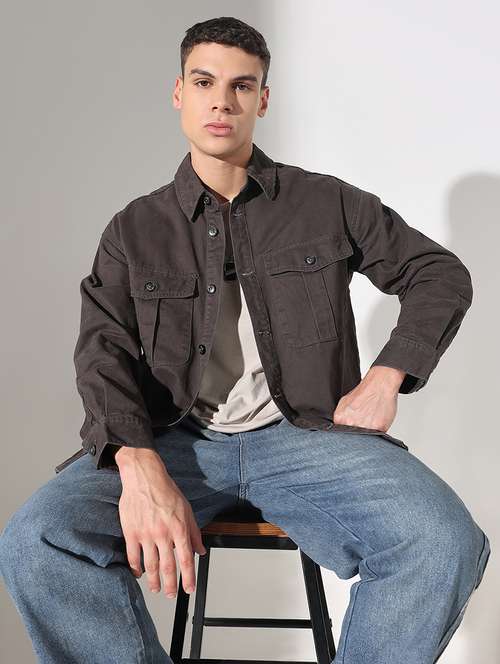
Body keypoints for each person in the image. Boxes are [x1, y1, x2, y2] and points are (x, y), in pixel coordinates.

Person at [0, 15, 490, 664]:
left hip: (305, 438)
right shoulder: (134, 229)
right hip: (172, 442)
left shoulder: (327, 203)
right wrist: (136, 462)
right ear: (179, 92)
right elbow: (102, 351)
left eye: (241, 85)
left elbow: (438, 274)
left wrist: (387, 374)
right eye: (204, 82)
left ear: (263, 99)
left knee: (442, 540)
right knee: (38, 539)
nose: (222, 101)